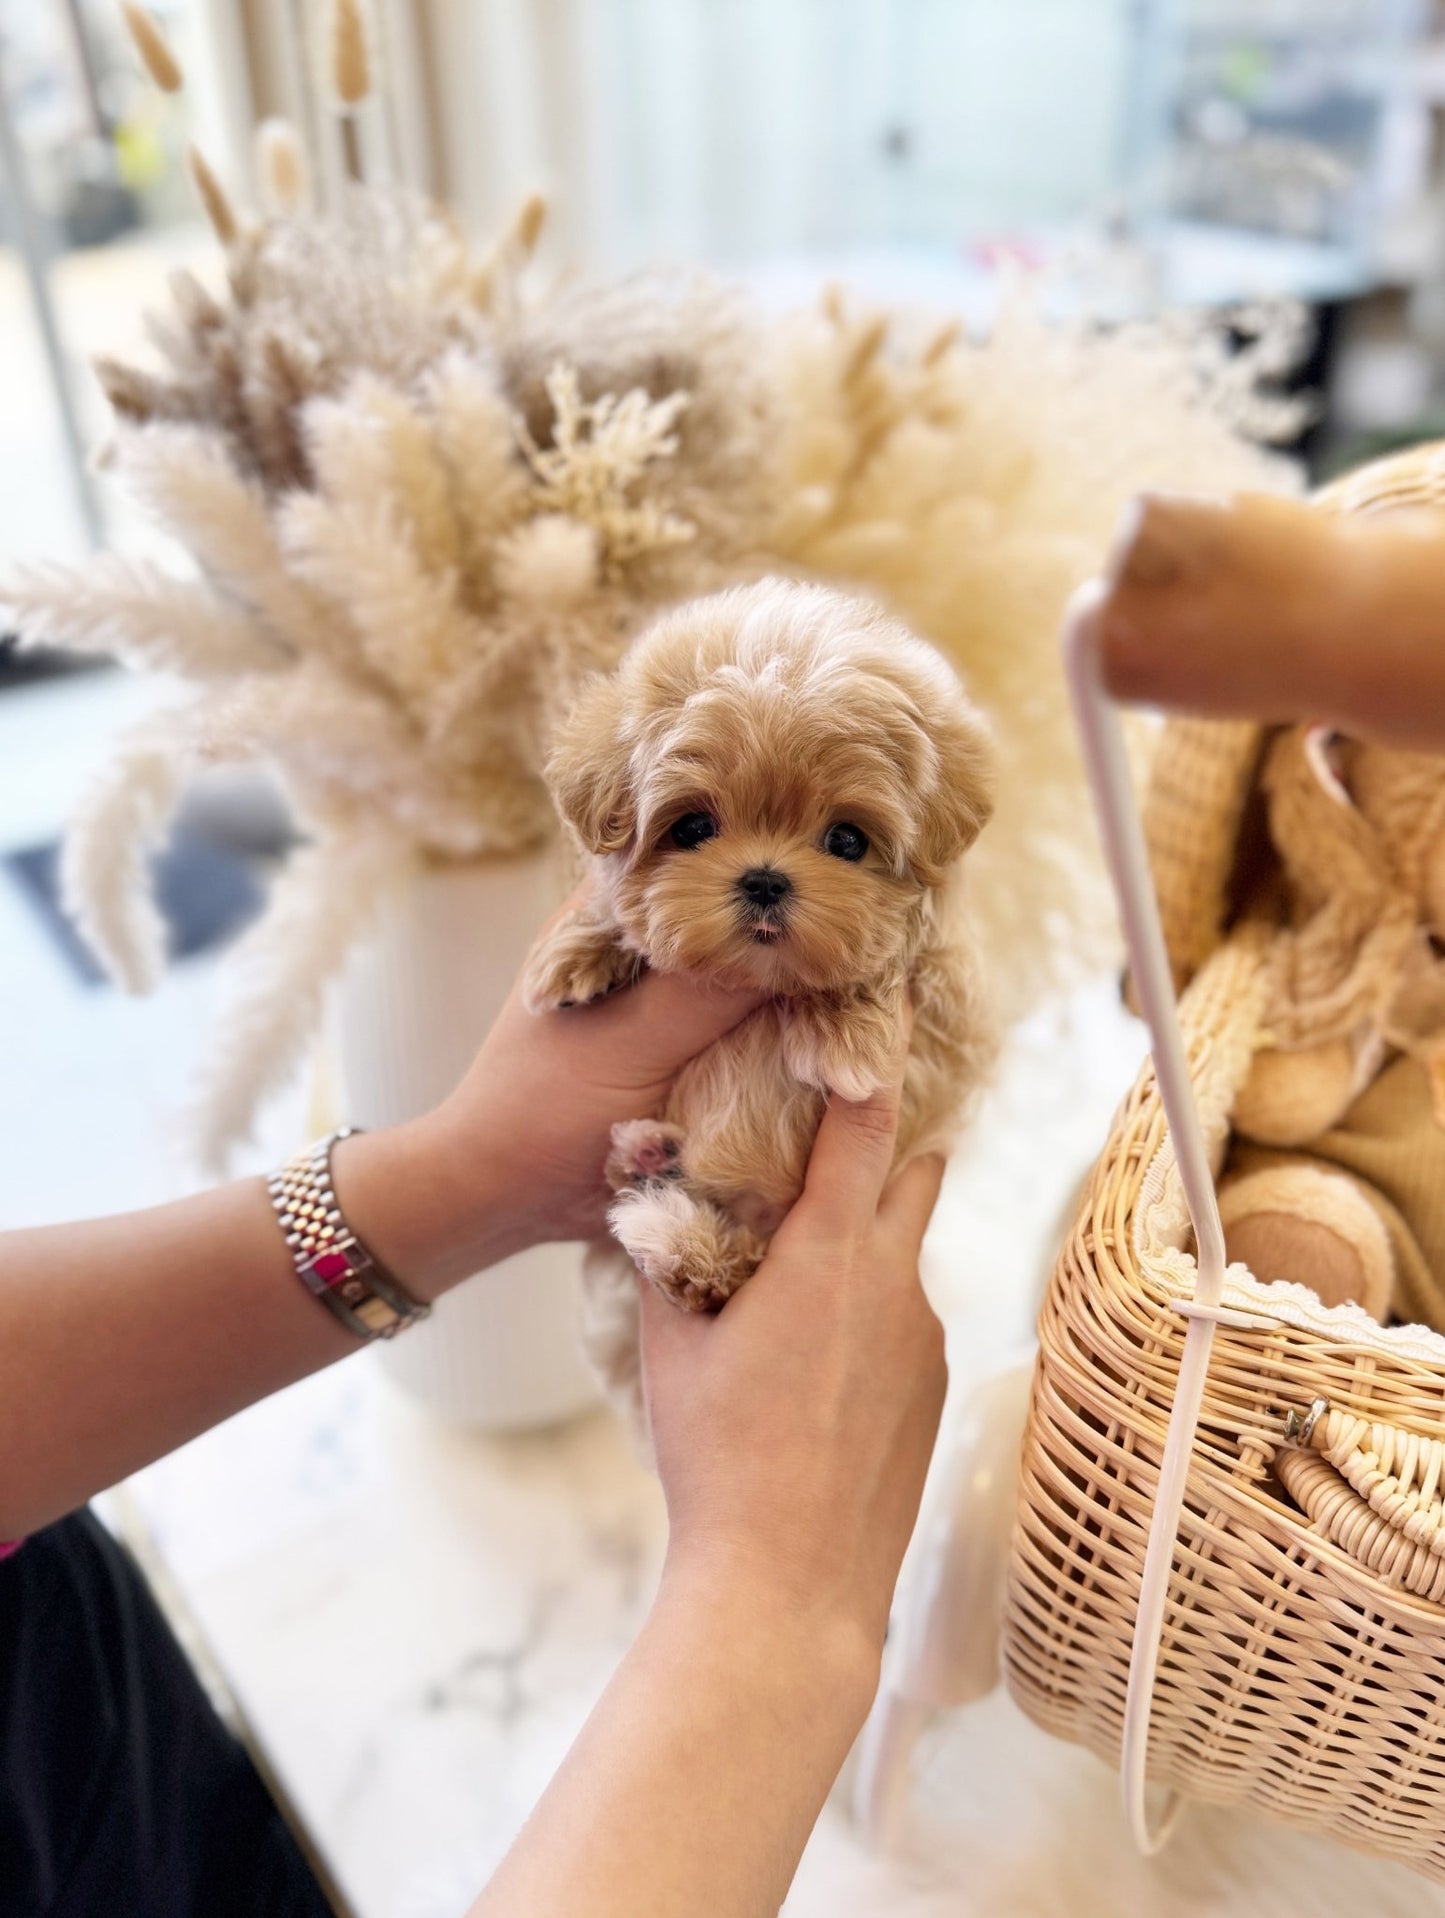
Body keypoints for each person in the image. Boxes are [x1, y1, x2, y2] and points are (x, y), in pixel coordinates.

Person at [5, 489, 1445, 1918]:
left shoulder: (895, 969)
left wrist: (457, 1174)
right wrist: (774, 1596)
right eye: (692, 823)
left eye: (844, 839)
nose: (764, 878)